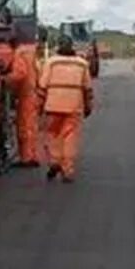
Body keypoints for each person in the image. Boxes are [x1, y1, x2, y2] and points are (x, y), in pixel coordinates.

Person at [37, 35, 94, 183]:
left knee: (52, 135)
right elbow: (87, 89)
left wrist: (39, 106)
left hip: (52, 106)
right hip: (74, 107)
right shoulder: (82, 64)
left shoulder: (51, 62)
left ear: (58, 47)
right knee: (69, 138)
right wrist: (89, 107)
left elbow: (42, 86)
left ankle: (55, 162)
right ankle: (67, 171)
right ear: (72, 47)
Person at [4, 35, 41, 168]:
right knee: (32, 127)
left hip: (26, 95)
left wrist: (4, 79)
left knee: (24, 127)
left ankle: (26, 158)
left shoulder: (19, 53)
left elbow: (20, 73)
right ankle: (33, 155)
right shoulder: (30, 52)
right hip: (33, 92)